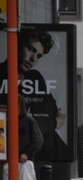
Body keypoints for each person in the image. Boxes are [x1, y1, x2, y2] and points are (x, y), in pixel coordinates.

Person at [0, 29, 67, 161]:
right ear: (18, 45)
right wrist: (52, 122)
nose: (33, 59)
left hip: (41, 152)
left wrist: (46, 121)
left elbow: (51, 112)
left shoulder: (35, 77)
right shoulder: (1, 75)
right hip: (12, 152)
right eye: (31, 49)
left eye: (39, 56)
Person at [3, 95, 43, 180]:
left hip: (23, 161)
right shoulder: (6, 120)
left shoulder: (28, 120)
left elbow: (38, 140)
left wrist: (27, 154)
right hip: (11, 160)